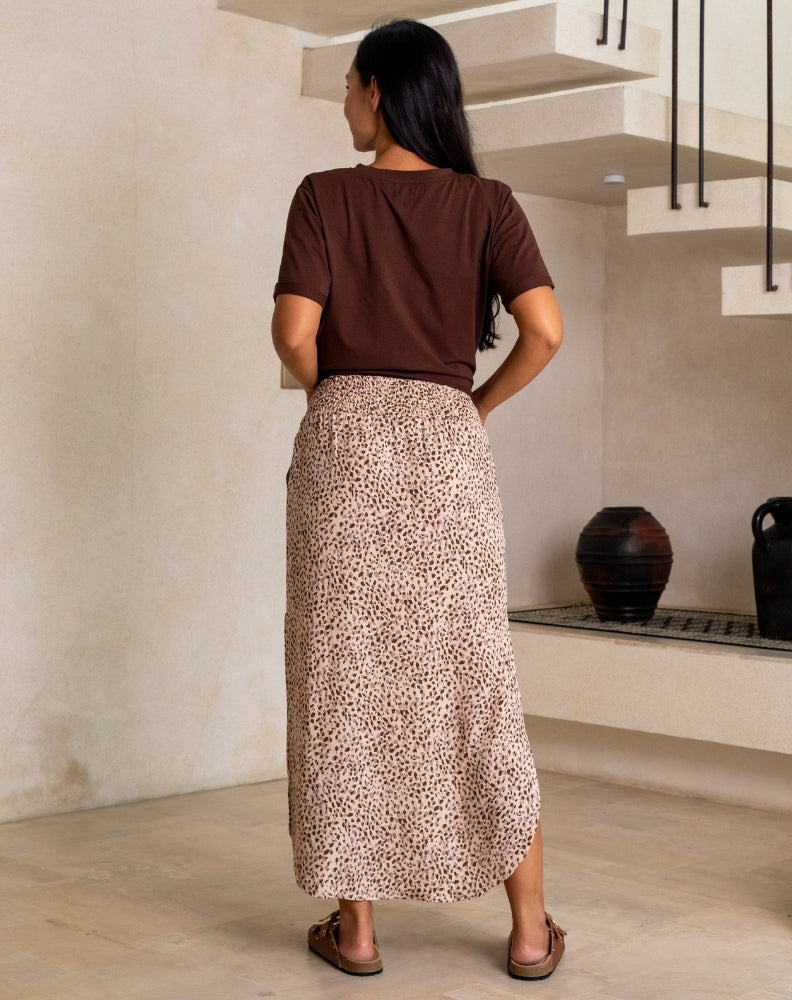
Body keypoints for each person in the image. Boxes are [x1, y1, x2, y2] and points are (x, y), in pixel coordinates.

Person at [272, 18, 565, 982]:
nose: (347, 104)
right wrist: (470, 404)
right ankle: (528, 931)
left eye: (351, 86)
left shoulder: (325, 196)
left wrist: (333, 394)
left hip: (346, 444)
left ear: (380, 90)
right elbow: (547, 331)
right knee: (477, 680)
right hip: (446, 447)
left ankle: (356, 932)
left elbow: (292, 333)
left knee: (343, 682)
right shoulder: (488, 204)